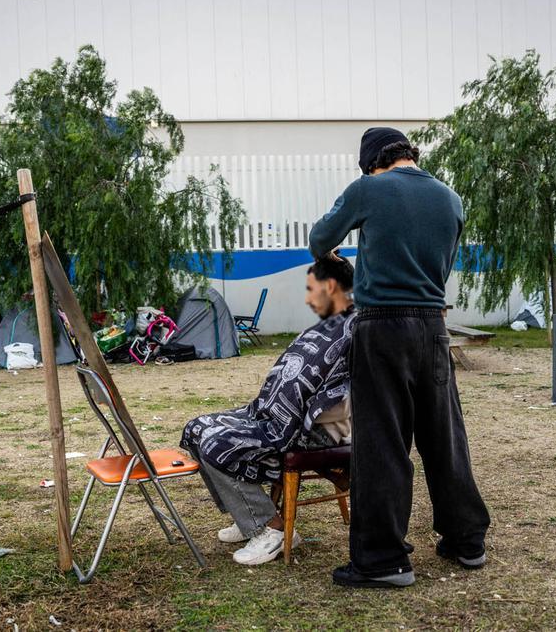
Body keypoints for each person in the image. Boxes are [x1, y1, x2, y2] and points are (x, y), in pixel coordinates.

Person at [309, 127, 490, 588]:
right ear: (410, 155)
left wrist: (336, 252)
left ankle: (382, 560)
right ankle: (467, 540)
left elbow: (319, 239)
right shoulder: (450, 198)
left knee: (382, 442)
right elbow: (441, 263)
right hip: (432, 325)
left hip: (381, 326)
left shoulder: (368, 188)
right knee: (443, 436)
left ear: (372, 162)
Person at [180, 256, 355, 565]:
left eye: (310, 289)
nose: (306, 297)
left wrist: (313, 421)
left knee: (217, 442)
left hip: (305, 429)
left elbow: (345, 391)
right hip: (268, 415)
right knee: (197, 428)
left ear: (329, 287)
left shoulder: (355, 329)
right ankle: (246, 514)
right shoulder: (327, 325)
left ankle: (269, 528)